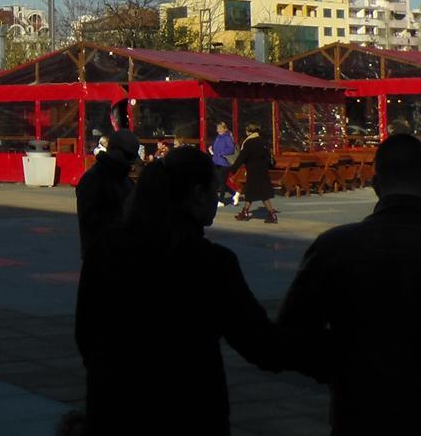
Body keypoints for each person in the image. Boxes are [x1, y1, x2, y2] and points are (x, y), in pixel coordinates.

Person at [75, 147, 289, 435]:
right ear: (198, 194)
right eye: (214, 190)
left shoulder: (103, 252)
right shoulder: (210, 263)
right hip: (190, 411)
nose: (216, 198)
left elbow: (86, 334)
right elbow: (260, 344)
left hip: (114, 409)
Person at [278, 133, 421, 435]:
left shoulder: (333, 248)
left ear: (376, 186)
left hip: (359, 410)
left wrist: (341, 367)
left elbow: (292, 337)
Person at [75, 128, 140, 257]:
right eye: (128, 157)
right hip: (100, 259)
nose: (131, 164)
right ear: (114, 152)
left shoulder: (122, 179)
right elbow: (94, 224)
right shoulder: (95, 180)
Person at [230, 123, 277, 223]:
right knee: (251, 192)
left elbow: (241, 157)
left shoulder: (249, 142)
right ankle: (245, 212)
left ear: (249, 132)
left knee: (260, 194)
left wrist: (233, 170)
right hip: (262, 170)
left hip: (253, 170)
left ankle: (272, 214)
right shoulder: (263, 141)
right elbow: (268, 156)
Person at [209, 121, 236, 205]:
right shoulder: (218, 137)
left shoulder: (227, 138)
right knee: (218, 180)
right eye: (217, 128)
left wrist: (221, 153)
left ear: (224, 129)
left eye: (219, 128)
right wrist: (211, 149)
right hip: (216, 161)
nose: (218, 130)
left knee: (222, 182)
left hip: (224, 163)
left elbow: (231, 150)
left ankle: (221, 200)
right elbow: (215, 147)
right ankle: (234, 193)